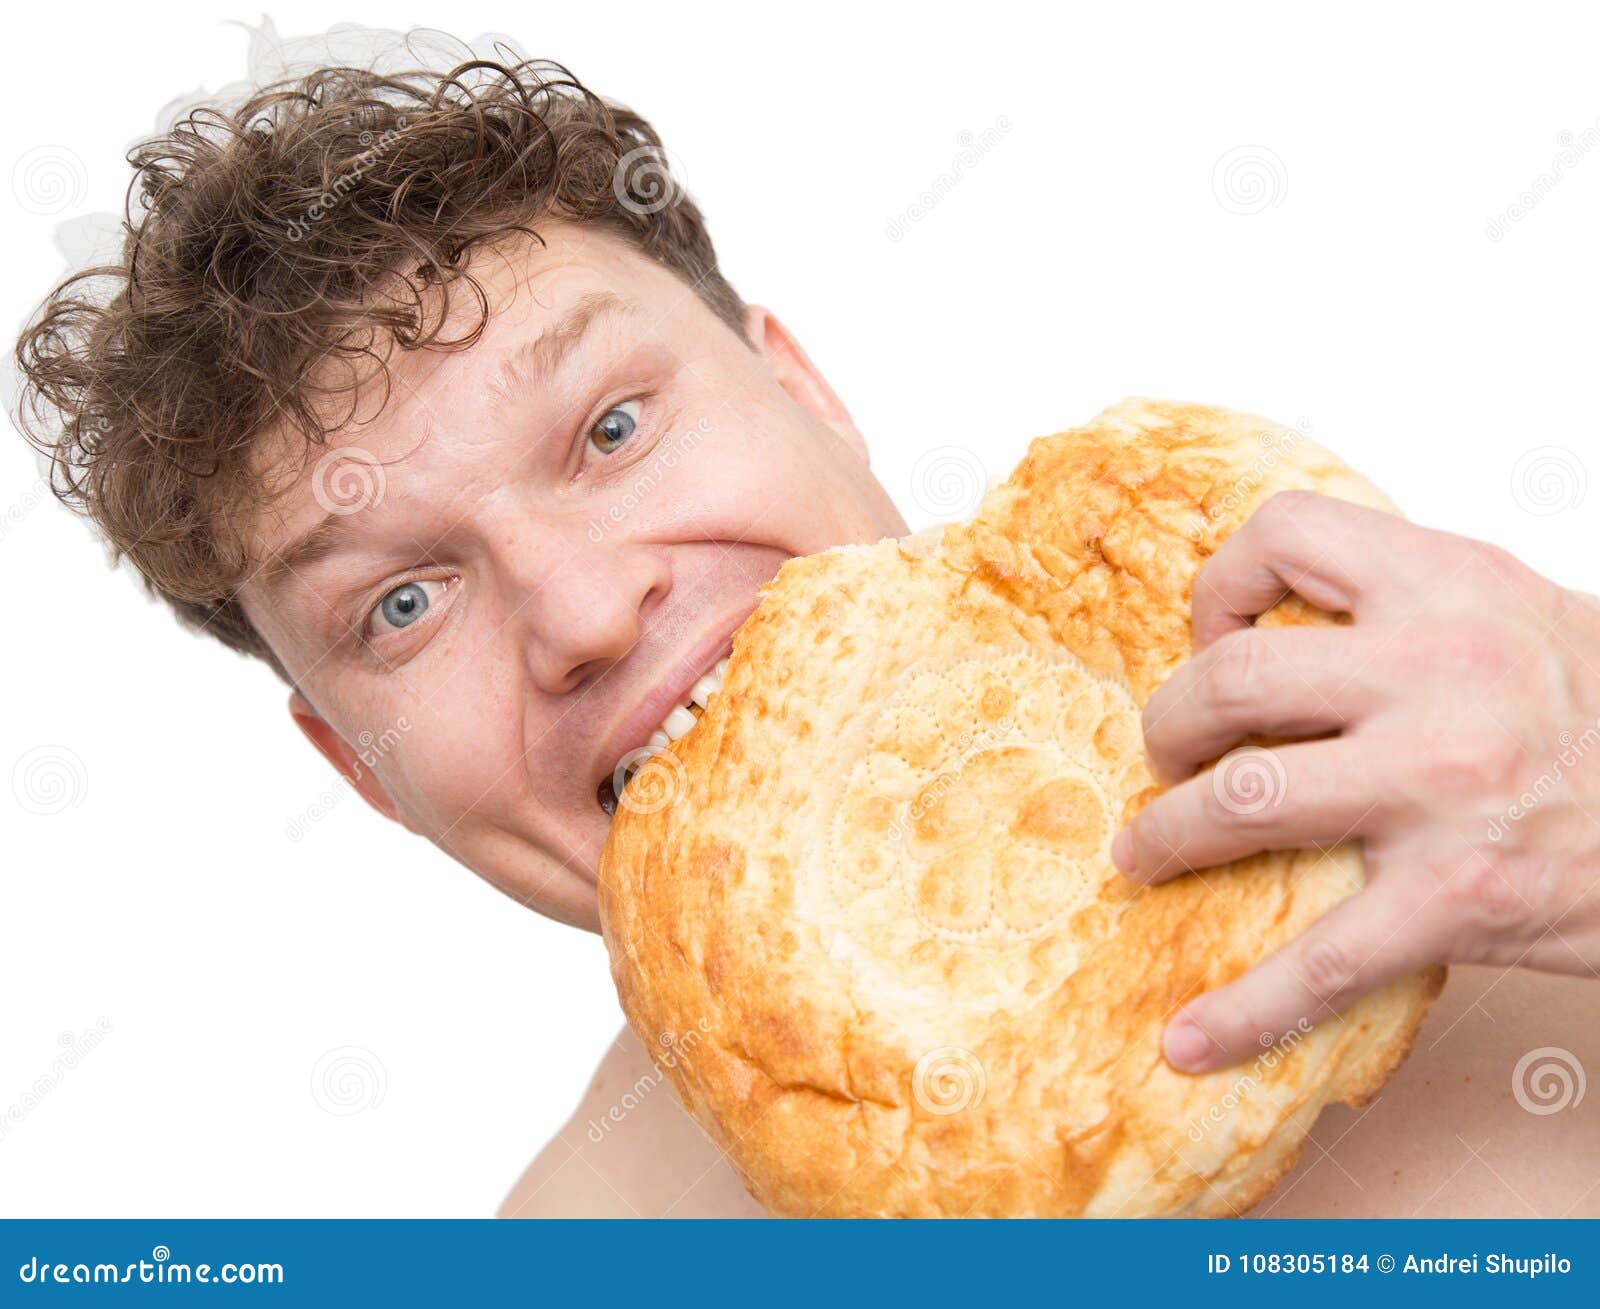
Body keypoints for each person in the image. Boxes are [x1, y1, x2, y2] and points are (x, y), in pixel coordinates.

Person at [15, 48, 1597, 1219]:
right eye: (403, 602)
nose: (579, 610)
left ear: (807, 389)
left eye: (613, 425)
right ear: (362, 771)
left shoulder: (1512, 724)